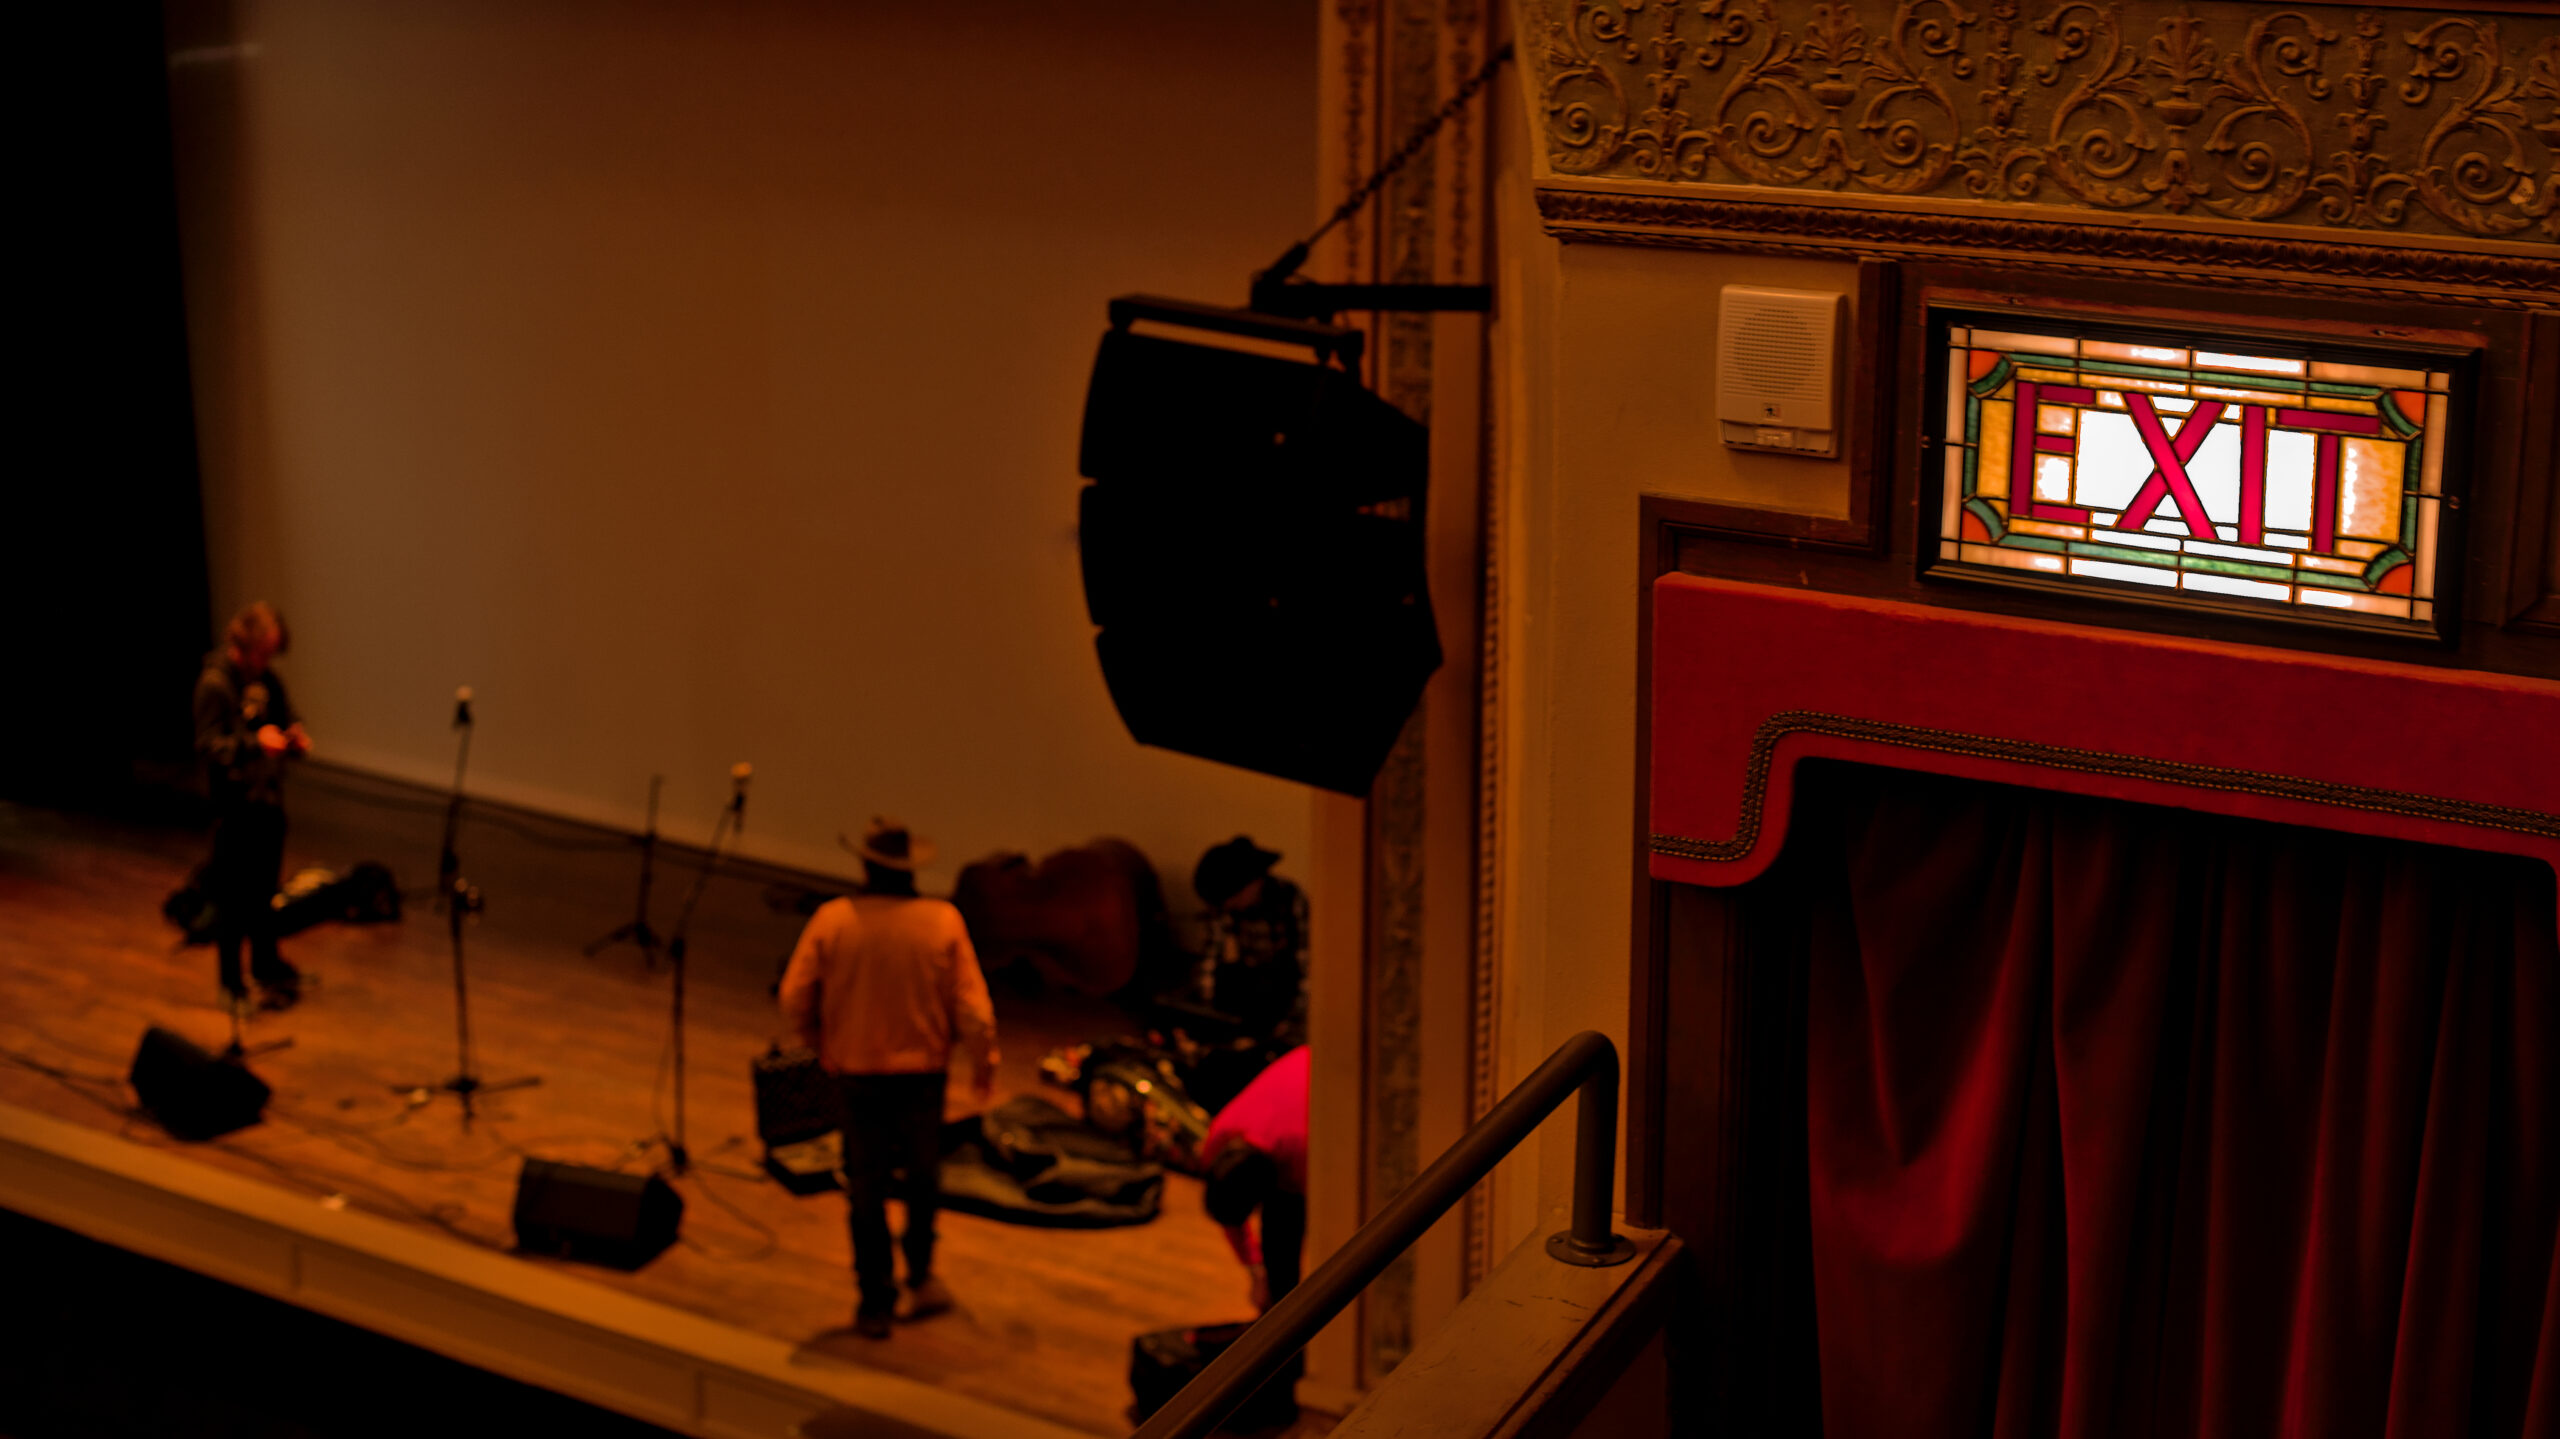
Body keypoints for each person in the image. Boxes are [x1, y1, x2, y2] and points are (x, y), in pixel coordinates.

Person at [779, 818, 999, 1340]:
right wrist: (983, 1062)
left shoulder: (833, 920)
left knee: (865, 1186)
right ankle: (919, 1275)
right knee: (923, 1179)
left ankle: (873, 1301)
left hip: (856, 1072)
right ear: (911, 869)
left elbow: (793, 996)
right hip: (922, 1075)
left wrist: (817, 1042)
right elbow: (973, 1010)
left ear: (865, 866)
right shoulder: (942, 921)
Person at [193, 601, 310, 1010]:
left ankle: (266, 964)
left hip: (267, 801)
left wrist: (294, 737)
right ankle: (231, 983)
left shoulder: (266, 681)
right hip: (233, 808)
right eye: (263, 652)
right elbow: (209, 746)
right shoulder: (215, 685)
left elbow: (287, 716)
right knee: (232, 899)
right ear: (244, 645)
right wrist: (254, 744)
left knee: (264, 892)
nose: (268, 661)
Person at [1200, 1043, 1309, 1315]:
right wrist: (1256, 1269)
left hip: (1320, 1063)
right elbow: (1229, 1211)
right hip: (1297, 1069)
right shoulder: (1219, 1135)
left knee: (1285, 1223)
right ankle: (1279, 1305)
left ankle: (1285, 1311)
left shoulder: (1302, 1153)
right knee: (1280, 1242)